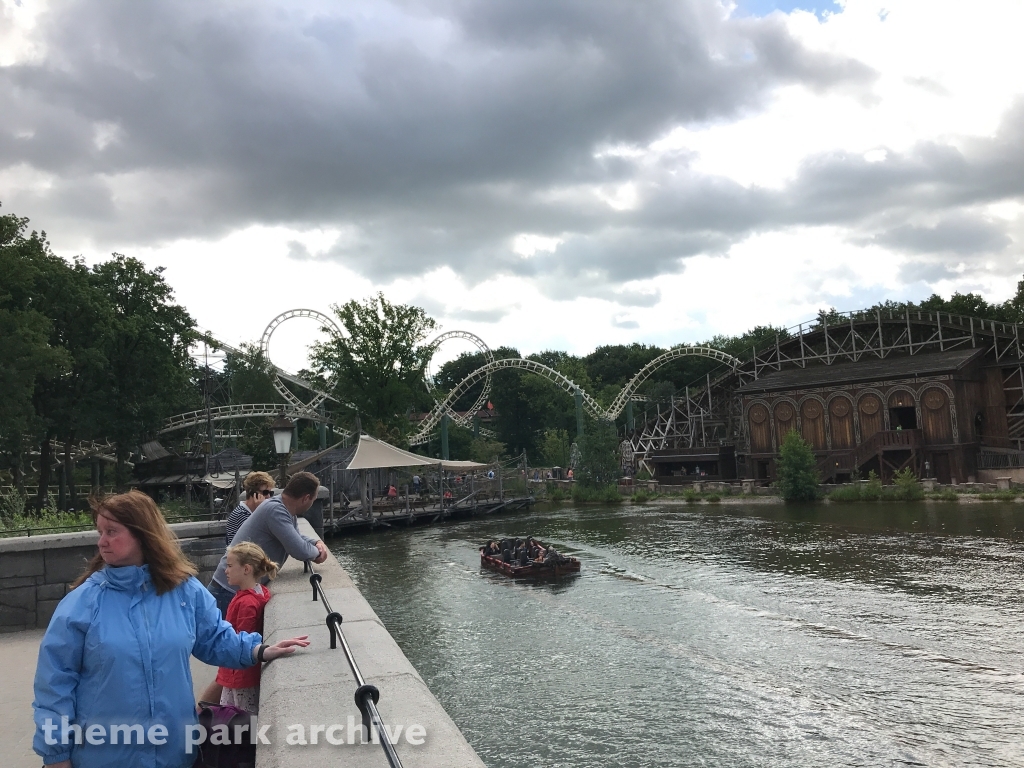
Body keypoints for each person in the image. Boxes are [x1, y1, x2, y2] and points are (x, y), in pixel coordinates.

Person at [33, 491, 310, 768]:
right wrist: (57, 755)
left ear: (142, 534)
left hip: (174, 754)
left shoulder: (184, 591)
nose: (101, 541)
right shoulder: (82, 602)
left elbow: (214, 637)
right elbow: (55, 684)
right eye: (101, 532)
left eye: (111, 532)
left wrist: (258, 650)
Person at [201, 472, 327, 706]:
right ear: (307, 498)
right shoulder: (276, 511)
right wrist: (317, 552)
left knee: (233, 657)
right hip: (228, 592)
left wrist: (316, 544)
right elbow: (298, 549)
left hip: (232, 588)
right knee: (232, 659)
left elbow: (298, 539)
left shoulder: (280, 509)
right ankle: (200, 716)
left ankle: (202, 715)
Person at [215, 542, 278, 714]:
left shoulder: (246, 602)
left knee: (238, 720)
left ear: (246, 569)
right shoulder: (260, 592)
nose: (225, 570)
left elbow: (240, 641)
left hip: (239, 676)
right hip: (243, 675)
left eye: (229, 566)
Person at [224, 471, 275, 545]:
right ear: (253, 493)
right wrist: (260, 511)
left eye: (271, 493)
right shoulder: (241, 514)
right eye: (265, 492)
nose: (268, 496)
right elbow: (259, 538)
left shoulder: (250, 512)